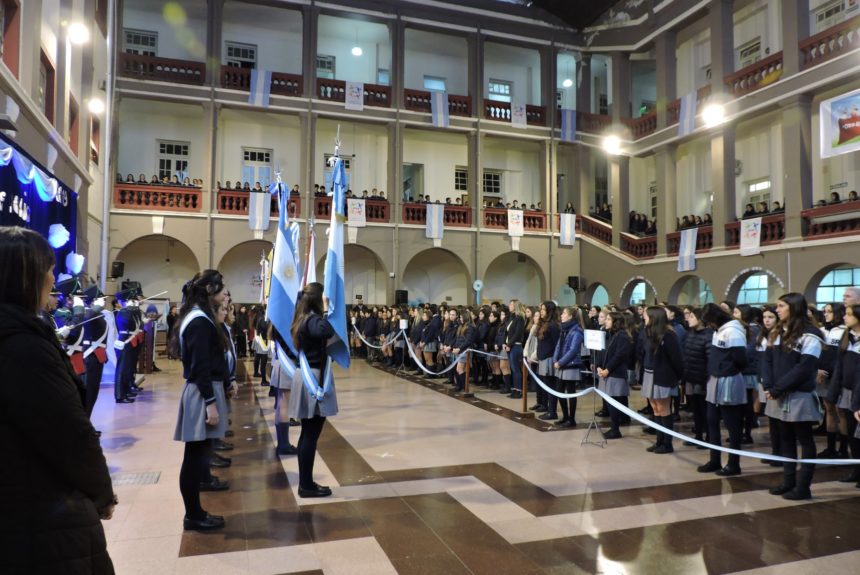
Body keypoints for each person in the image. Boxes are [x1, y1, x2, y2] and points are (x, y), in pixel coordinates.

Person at [0, 226, 116, 573]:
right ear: (27, 277)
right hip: (42, 511)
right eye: (47, 269)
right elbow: (67, 430)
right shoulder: (25, 345)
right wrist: (101, 491)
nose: (53, 278)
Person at [170, 270, 230, 530]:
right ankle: (193, 514)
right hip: (201, 391)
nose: (224, 294)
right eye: (221, 289)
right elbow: (200, 367)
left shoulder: (199, 317)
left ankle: (195, 512)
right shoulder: (199, 321)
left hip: (204, 389)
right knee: (194, 457)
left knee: (198, 455)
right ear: (209, 290)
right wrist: (210, 402)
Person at [763, 293, 824, 500]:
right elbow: (768, 360)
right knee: (785, 439)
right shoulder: (777, 331)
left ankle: (803, 486)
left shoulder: (811, 334)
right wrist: (768, 384)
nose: (777, 310)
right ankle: (788, 481)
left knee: (805, 440)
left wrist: (778, 388)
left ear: (794, 308)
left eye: (781, 306)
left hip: (798, 394)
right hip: (778, 393)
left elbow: (804, 368)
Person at [288, 282, 337, 498]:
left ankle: (306, 482)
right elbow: (326, 330)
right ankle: (306, 485)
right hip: (313, 377)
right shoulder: (313, 319)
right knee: (310, 434)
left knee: (308, 433)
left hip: (308, 374)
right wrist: (326, 311)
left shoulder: (301, 317)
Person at [698, 303, 748, 476]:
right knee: (711, 421)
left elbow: (741, 359)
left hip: (729, 380)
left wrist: (727, 371)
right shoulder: (717, 331)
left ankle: (734, 464)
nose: (709, 325)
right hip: (715, 379)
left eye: (709, 321)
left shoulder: (733, 331)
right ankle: (715, 459)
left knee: (732, 425)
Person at [639, 306, 684, 454]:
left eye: (645, 315)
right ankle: (659, 441)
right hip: (649, 373)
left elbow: (676, 358)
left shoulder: (669, 335)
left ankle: (667, 443)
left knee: (664, 409)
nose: (643, 317)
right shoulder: (647, 333)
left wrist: (677, 377)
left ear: (654, 317)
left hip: (663, 375)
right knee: (655, 409)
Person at [826, 303, 860, 483]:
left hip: (859, 394)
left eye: (848, 314)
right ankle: (857, 469)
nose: (844, 317)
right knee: (852, 433)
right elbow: (838, 367)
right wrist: (833, 393)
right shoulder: (847, 337)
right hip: (847, 392)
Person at [596, 311, 632, 438]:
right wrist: (599, 366)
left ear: (616, 322)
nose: (606, 321)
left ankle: (615, 429)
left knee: (614, 402)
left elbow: (619, 356)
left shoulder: (622, 336)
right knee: (610, 402)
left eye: (609, 319)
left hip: (615, 373)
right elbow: (603, 352)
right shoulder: (610, 334)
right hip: (607, 372)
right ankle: (614, 428)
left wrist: (608, 369)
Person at [682, 307, 712, 447]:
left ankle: (709, 437)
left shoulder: (708, 335)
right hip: (690, 377)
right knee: (695, 409)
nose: (688, 318)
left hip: (702, 379)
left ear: (701, 320)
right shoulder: (690, 333)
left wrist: (705, 378)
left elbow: (710, 360)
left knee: (704, 409)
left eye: (692, 316)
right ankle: (698, 435)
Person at [505, 300, 527, 399]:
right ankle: (514, 389)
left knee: (516, 369)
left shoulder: (520, 318)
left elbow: (517, 333)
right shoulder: (512, 317)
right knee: (513, 369)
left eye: (511, 304)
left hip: (516, 346)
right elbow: (508, 332)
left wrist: (509, 344)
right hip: (510, 345)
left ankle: (519, 390)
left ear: (516, 306)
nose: (509, 306)